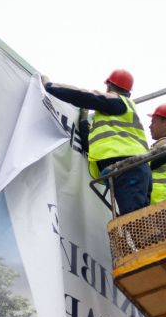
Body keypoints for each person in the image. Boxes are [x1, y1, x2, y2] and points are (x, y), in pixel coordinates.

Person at [42, 69, 152, 215]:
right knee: (138, 221)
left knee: (134, 220)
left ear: (109, 87)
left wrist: (50, 86)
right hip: (133, 170)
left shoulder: (118, 102)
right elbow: (92, 146)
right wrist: (83, 122)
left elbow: (83, 96)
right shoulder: (115, 117)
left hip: (128, 169)